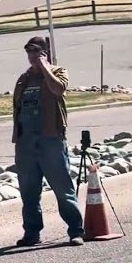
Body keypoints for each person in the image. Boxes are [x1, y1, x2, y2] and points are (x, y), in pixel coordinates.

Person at [11, 37, 85, 247]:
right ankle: (32, 233)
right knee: (29, 192)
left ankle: (75, 231)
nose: (32, 57)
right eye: (29, 53)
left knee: (63, 189)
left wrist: (45, 67)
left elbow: (58, 89)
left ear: (45, 53)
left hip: (50, 139)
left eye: (37, 52)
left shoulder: (58, 72)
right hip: (26, 143)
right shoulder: (23, 79)